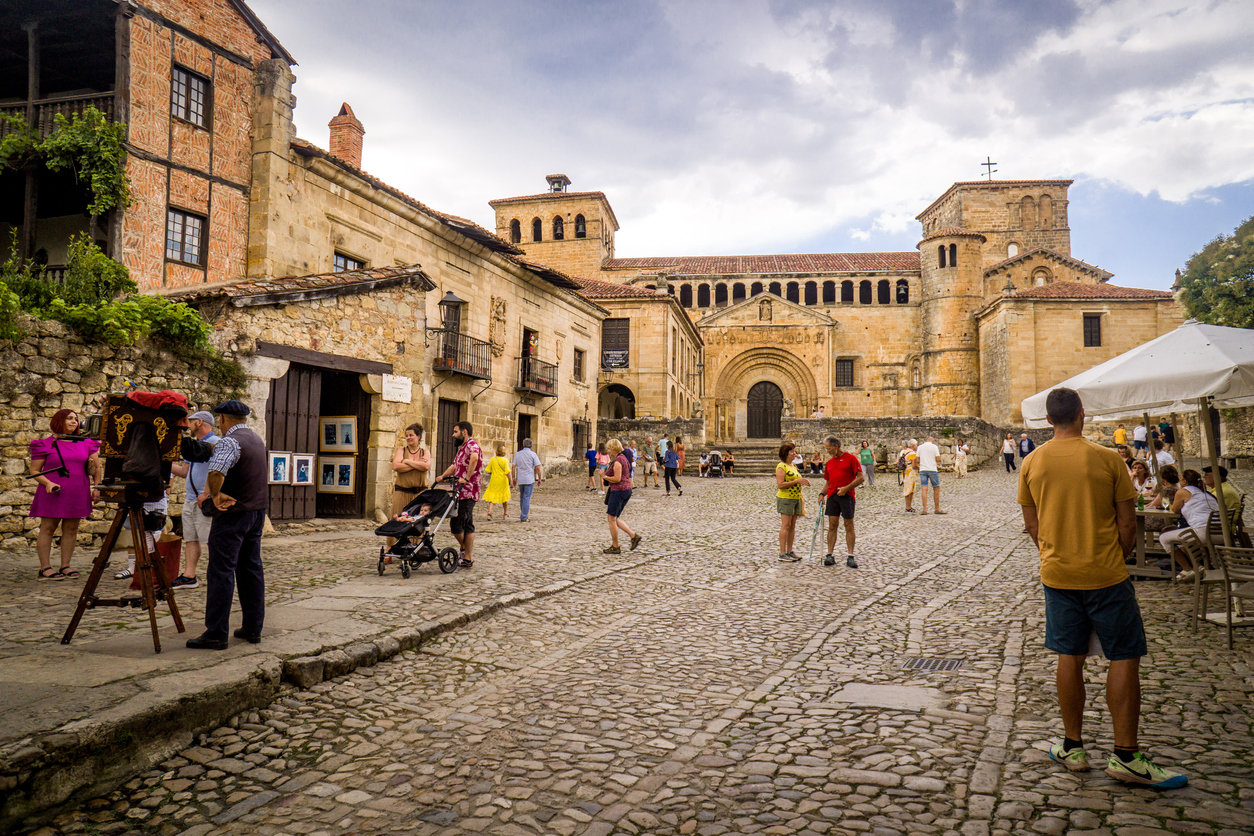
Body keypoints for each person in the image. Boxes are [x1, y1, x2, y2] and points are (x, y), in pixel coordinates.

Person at [1019, 387, 1187, 789]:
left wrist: (1053, 552)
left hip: (1058, 574)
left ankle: (1072, 745)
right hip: (1107, 574)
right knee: (1125, 656)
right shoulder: (1108, 458)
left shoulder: (1032, 462)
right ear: (1082, 414)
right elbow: (1128, 524)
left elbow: (1031, 524)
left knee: (1068, 654)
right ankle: (1126, 755)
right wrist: (1114, 555)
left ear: (1047, 420)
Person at [187, 400, 268, 650]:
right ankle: (253, 627)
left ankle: (216, 632)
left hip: (233, 513)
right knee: (250, 568)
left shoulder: (230, 441)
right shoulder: (255, 439)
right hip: (255, 511)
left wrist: (215, 495)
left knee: (221, 570)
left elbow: (217, 471)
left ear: (222, 419)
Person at [28, 408, 102, 580]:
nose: (74, 421)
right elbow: (34, 470)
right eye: (69, 418)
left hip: (78, 491)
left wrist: (97, 487)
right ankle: (45, 567)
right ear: (59, 421)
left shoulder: (86, 442)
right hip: (54, 491)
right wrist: (48, 483)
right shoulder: (45, 444)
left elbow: (96, 467)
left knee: (71, 528)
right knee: (48, 528)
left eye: (75, 419)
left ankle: (65, 566)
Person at [169, 410, 219, 588]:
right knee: (190, 538)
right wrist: (164, 462)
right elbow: (184, 471)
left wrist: (206, 493)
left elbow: (217, 471)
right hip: (191, 498)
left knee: (210, 539)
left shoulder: (215, 444)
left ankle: (219, 575)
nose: (188, 425)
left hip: (204, 499)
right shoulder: (194, 445)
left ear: (200, 422)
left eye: (190, 421)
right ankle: (189, 575)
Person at [437, 421, 482, 568]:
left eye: (455, 432)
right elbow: (454, 466)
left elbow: (474, 458)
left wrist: (467, 478)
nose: (453, 435)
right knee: (456, 523)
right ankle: (464, 549)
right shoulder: (462, 448)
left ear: (464, 432)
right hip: (459, 491)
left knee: (465, 522)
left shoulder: (472, 445)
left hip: (469, 491)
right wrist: (442, 476)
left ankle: (467, 557)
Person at [1159, 469, 1219, 582]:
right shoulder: (1205, 492)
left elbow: (1175, 510)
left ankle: (1187, 568)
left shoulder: (1183, 492)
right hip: (1219, 533)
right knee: (1180, 533)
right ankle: (1198, 565)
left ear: (1185, 482)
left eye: (1181, 479)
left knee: (1164, 538)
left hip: (1203, 532)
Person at [820, 436, 864, 568]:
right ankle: (829, 554)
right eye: (826, 448)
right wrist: (822, 494)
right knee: (832, 525)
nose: (827, 451)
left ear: (836, 446)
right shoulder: (829, 463)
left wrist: (846, 488)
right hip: (833, 497)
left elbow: (861, 477)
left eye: (829, 448)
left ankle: (850, 556)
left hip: (847, 496)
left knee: (848, 525)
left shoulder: (851, 458)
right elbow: (828, 482)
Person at [387, 423, 430, 546]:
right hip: (402, 491)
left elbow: (426, 466)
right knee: (397, 519)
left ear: (418, 436)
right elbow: (396, 466)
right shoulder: (401, 450)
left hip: (419, 493)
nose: (408, 438)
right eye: (407, 435)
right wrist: (416, 464)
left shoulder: (425, 452)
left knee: (418, 520)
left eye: (411, 435)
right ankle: (391, 547)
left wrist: (406, 462)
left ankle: (415, 548)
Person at [600, 438, 641, 554]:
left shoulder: (618, 461)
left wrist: (604, 477)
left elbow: (617, 479)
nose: (608, 450)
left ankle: (616, 545)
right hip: (625, 490)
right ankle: (633, 536)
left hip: (619, 491)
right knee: (614, 518)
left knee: (611, 519)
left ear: (613, 448)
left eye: (609, 448)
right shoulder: (623, 458)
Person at [775, 442, 810, 562]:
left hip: (796, 498)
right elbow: (780, 485)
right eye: (792, 451)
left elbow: (797, 479)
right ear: (786, 453)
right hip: (786, 499)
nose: (795, 453)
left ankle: (789, 551)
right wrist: (797, 481)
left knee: (792, 526)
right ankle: (782, 552)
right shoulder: (781, 466)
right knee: (785, 526)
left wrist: (802, 481)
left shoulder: (793, 466)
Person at [511, 438, 543, 522]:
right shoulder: (533, 454)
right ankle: (524, 516)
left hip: (521, 479)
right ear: (531, 445)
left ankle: (523, 513)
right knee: (526, 497)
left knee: (522, 497)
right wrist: (539, 478)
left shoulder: (518, 454)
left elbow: (513, 466)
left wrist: (513, 478)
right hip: (529, 479)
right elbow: (538, 468)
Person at [482, 443, 512, 520]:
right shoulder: (505, 460)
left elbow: (488, 470)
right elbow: (508, 472)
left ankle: (489, 513)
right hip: (503, 481)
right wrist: (511, 481)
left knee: (492, 497)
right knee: (504, 498)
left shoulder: (493, 459)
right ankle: (505, 514)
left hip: (494, 481)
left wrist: (494, 471)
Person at [916, 436, 945, 515]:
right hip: (932, 469)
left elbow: (917, 459)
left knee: (924, 488)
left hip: (923, 469)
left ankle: (925, 509)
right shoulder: (934, 447)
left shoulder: (920, 447)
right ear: (932, 441)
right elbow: (938, 459)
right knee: (936, 488)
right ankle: (937, 508)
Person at [902, 440, 919, 511]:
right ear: (913, 445)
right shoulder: (912, 453)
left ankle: (908, 506)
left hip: (905, 471)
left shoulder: (904, 452)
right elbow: (914, 465)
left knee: (907, 488)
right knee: (910, 489)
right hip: (911, 472)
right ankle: (908, 506)